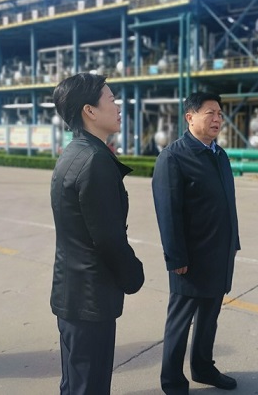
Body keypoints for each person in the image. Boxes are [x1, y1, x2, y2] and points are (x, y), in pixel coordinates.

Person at [50, 73, 144, 395]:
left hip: (72, 295)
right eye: (112, 100)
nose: (118, 107)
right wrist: (133, 275)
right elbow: (107, 238)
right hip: (90, 299)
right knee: (90, 386)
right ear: (89, 110)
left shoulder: (73, 153)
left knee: (75, 384)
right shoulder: (94, 161)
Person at [152, 91, 241, 395]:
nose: (217, 119)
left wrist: (233, 242)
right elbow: (168, 211)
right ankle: (172, 381)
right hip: (190, 258)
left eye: (220, 114)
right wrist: (175, 257)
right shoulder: (173, 157)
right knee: (180, 322)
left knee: (209, 318)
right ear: (190, 117)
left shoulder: (219, 154)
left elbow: (226, 204)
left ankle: (203, 367)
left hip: (219, 253)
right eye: (210, 113)